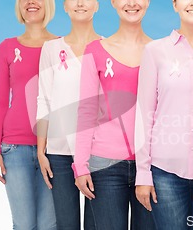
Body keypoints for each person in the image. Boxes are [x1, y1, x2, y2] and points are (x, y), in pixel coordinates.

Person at [72, 0, 155, 229]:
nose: (132, 3)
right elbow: (87, 109)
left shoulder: (159, 52)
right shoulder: (95, 50)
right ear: (113, 3)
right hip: (104, 166)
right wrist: (80, 165)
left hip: (149, 167)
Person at [135, 0, 193, 229]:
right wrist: (143, 173)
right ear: (174, 5)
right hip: (165, 172)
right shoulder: (155, 51)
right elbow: (144, 113)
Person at [0, 0, 58, 229]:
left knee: (49, 224)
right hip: (14, 148)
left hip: (54, 148)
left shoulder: (62, 47)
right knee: (24, 224)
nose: (31, 2)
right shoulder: (7, 47)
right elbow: (0, 101)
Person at [36, 0, 101, 229]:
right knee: (66, 224)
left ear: (97, 6)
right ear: (64, 6)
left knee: (96, 224)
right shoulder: (51, 49)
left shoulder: (107, 47)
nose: (80, 3)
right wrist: (41, 149)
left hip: (97, 154)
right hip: (59, 153)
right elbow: (43, 98)